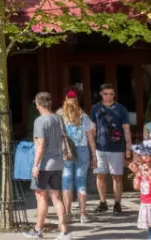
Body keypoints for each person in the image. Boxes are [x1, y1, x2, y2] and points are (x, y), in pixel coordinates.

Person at [23, 92, 72, 240]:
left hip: (44, 164)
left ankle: (38, 230)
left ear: (37, 104)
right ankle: (64, 231)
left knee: (41, 196)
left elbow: (41, 145)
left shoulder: (40, 121)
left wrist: (35, 165)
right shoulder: (58, 118)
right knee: (56, 197)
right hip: (58, 163)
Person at [90, 83, 131, 214]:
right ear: (101, 94)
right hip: (100, 147)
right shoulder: (95, 108)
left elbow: (126, 128)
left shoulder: (121, 108)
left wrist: (128, 147)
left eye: (111, 94)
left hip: (117, 147)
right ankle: (103, 202)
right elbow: (92, 128)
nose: (108, 96)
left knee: (117, 176)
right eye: (106, 93)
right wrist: (92, 148)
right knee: (100, 175)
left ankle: (117, 203)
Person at [57, 89, 96, 225]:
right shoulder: (83, 116)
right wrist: (94, 155)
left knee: (66, 181)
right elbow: (91, 137)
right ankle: (83, 214)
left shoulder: (60, 115)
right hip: (83, 150)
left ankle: (67, 213)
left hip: (66, 151)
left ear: (65, 99)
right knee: (81, 182)